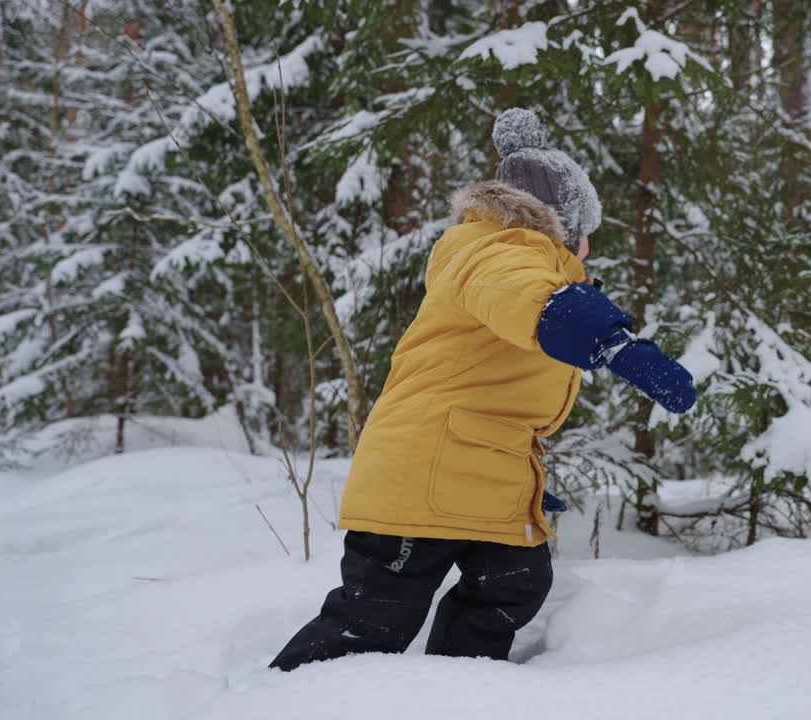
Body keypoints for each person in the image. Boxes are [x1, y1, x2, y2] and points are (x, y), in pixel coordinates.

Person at [268, 108, 697, 671]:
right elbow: (536, 303)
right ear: (563, 225)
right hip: (421, 475)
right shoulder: (496, 252)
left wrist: (523, 486)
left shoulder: (519, 259)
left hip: (477, 473)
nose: (591, 245)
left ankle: (460, 692)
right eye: (587, 231)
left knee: (514, 583)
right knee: (375, 618)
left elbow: (499, 398)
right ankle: (289, 697)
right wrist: (619, 346)